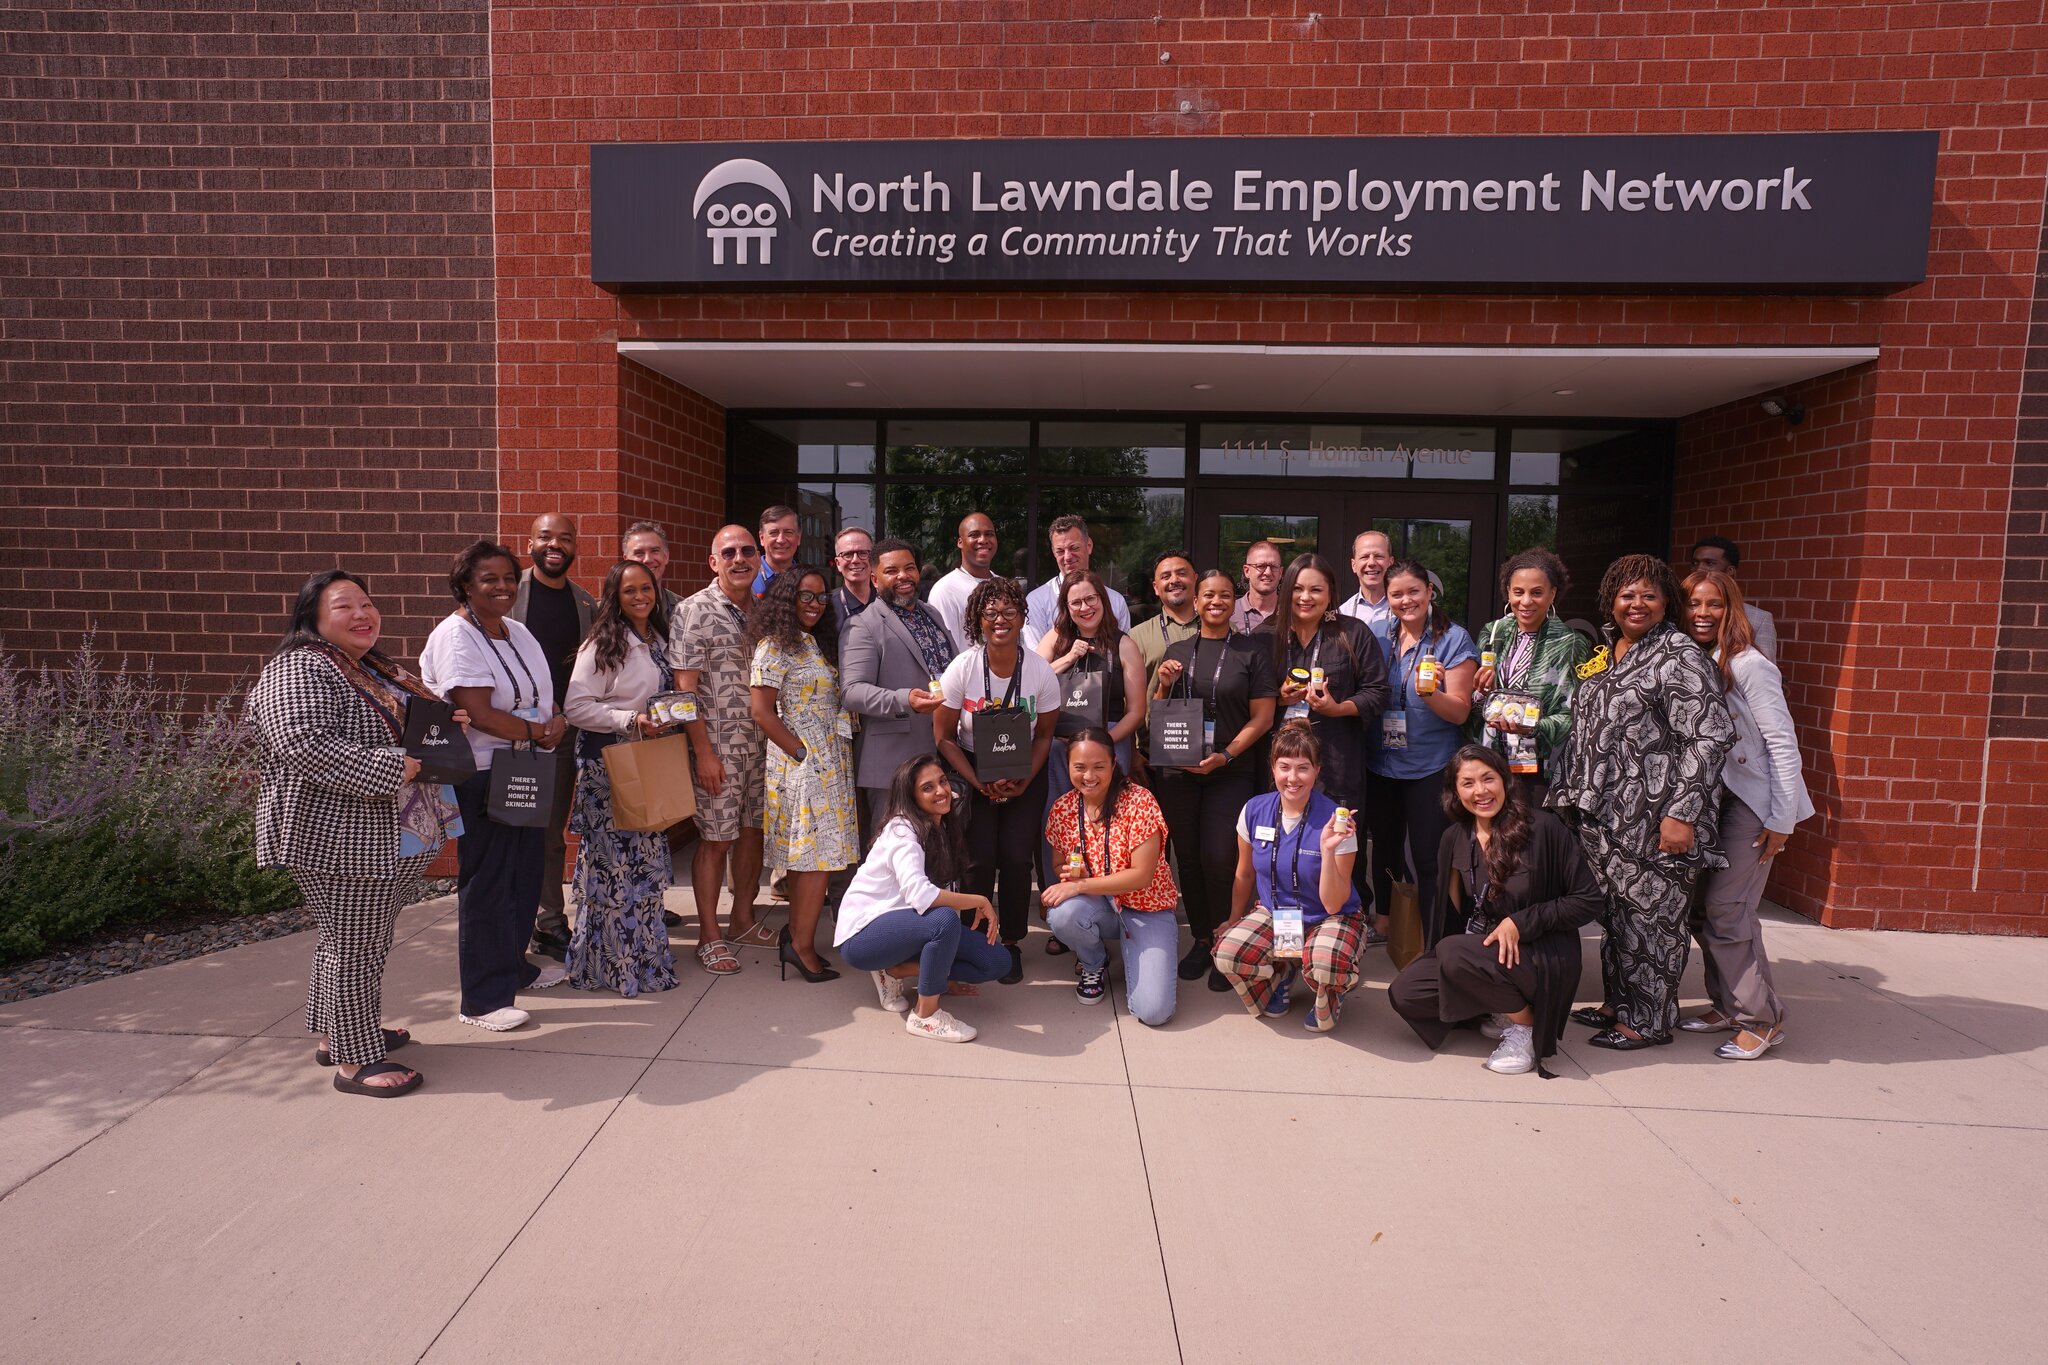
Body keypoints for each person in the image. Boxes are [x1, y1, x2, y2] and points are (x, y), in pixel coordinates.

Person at [248, 570, 461, 1096]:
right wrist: (395, 766)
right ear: (313, 618)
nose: (362, 613)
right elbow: (301, 742)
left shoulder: (367, 666)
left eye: (367, 603)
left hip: (385, 830)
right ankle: (356, 1062)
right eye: (345, 606)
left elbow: (397, 725)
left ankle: (337, 1035)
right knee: (355, 944)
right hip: (338, 834)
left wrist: (438, 722)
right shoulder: (300, 667)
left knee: (353, 939)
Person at [1549, 553, 1736, 1051]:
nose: (1637, 603)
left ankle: (1647, 1021)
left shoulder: (1678, 654)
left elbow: (1710, 737)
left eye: (1649, 595)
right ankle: (1618, 1003)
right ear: (1611, 600)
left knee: (1653, 919)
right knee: (1617, 914)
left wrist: (1682, 813)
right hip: (1602, 814)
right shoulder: (1608, 651)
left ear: (1666, 602)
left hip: (1653, 817)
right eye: (1627, 594)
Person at [420, 540, 571, 1031]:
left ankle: (515, 968)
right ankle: (482, 1000)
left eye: (508, 577)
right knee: (487, 880)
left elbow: (543, 698)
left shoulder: (518, 632)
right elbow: (481, 714)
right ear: (465, 586)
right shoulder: (455, 637)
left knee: (523, 873)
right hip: (481, 773)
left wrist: (555, 722)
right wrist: (537, 730)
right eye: (489, 579)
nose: (503, 587)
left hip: (524, 766)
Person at [1388, 745, 1607, 1076]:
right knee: (1406, 992)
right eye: (1468, 783)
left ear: (1505, 780)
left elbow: (1588, 900)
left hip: (1540, 950)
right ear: (1454, 791)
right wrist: (1452, 964)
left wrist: (1521, 923)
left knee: (1453, 952)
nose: (1480, 791)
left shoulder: (1545, 828)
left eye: (1488, 779)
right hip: (1486, 951)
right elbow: (1453, 915)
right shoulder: (1455, 837)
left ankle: (1527, 1027)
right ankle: (1498, 1002)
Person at [1681, 568, 1811, 1059]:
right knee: (1702, 908)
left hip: (1752, 804)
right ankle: (1728, 1004)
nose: (1702, 613)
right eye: (1694, 603)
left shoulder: (1750, 663)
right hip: (1710, 801)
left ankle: (1761, 1018)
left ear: (1731, 608)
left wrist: (1782, 820)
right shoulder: (1693, 658)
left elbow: (1782, 742)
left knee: (1729, 909)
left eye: (1713, 604)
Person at [1152, 568, 1278, 990]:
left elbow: (1263, 718)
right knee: (1187, 858)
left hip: (1230, 770)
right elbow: (1159, 712)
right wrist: (1163, 684)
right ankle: (1202, 938)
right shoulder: (1178, 648)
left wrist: (1224, 755)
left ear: (1234, 599)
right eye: (1208, 595)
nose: (1216, 602)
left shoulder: (1252, 652)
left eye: (1225, 595)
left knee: (1220, 858)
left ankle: (1229, 939)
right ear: (1196, 599)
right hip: (1179, 771)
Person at [935, 575, 1061, 984]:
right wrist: (975, 781)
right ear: (978, 620)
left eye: (1009, 611)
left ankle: (1010, 941)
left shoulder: (1040, 671)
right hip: (974, 769)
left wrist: (1023, 781)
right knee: (977, 859)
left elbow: (1043, 736)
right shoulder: (964, 667)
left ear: (1023, 616)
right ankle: (975, 940)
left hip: (1024, 770)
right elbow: (944, 737)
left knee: (1015, 858)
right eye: (991, 613)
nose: (1000, 619)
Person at [561, 560, 678, 998]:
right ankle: (610, 966)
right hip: (608, 765)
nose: (640, 596)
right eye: (629, 590)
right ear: (615, 596)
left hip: (647, 759)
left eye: (646, 588)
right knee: (614, 871)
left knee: (644, 867)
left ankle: (645, 959)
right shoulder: (603, 643)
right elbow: (576, 707)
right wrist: (631, 718)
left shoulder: (657, 638)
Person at [835, 755, 1013, 1042]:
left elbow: (936, 891)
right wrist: (978, 900)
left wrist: (939, 969)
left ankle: (896, 970)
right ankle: (926, 1016)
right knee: (942, 920)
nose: (941, 791)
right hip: (863, 937)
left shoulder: (939, 826)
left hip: (907, 928)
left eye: (942, 781)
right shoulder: (903, 832)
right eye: (927, 788)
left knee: (996, 961)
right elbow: (922, 896)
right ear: (911, 796)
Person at [1253, 552, 1390, 916]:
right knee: (1281, 845)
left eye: (1316, 589)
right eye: (1297, 588)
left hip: (1337, 757)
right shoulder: (1265, 635)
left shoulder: (1351, 633)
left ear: (1330, 594)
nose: (1305, 597)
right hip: (1282, 765)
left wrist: (1338, 707)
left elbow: (1378, 691)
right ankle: (1282, 925)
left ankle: (1342, 922)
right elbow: (1247, 695)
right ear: (1285, 592)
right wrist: (1276, 698)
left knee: (1341, 842)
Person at [669, 524, 774, 973]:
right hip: (718, 750)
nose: (739, 558)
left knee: (752, 833)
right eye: (728, 552)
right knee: (716, 840)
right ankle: (709, 936)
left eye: (747, 550)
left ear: (759, 556)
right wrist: (704, 753)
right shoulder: (695, 611)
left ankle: (743, 920)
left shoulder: (764, 611)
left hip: (763, 746)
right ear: (714, 562)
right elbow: (682, 693)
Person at [1212, 721, 1363, 1032]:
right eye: (1284, 767)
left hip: (1329, 916)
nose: (1292, 778)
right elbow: (1244, 873)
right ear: (1272, 768)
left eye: (1303, 768)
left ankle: (1329, 988)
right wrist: (1233, 918)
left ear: (1317, 770)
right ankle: (1285, 968)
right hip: (1282, 916)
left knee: (1325, 961)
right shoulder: (1254, 810)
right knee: (1229, 952)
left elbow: (1334, 903)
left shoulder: (1337, 821)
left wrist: (1329, 850)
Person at [748, 565, 859, 983]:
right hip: (804, 763)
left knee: (819, 859)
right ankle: (800, 945)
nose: (813, 605)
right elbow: (761, 711)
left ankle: (797, 936)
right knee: (813, 860)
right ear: (786, 599)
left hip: (832, 760)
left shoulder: (815, 644)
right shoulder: (774, 646)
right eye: (804, 596)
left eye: (819, 598)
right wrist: (802, 754)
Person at [1365, 559, 1478, 947]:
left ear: (1430, 591)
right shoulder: (1381, 634)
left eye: (1414, 591)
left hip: (1431, 767)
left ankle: (1439, 943)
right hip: (1381, 763)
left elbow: (1461, 710)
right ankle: (1389, 927)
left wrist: (1431, 695)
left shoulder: (1453, 638)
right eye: (1396, 594)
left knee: (1431, 860)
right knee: (1384, 849)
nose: (1405, 600)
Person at [1042, 728, 1181, 1025]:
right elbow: (1057, 863)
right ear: (1067, 766)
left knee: (1154, 1012)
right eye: (1079, 767)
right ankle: (1094, 960)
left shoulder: (1139, 801)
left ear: (1114, 763)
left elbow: (1142, 876)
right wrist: (1067, 874)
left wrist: (1079, 884)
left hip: (1147, 907)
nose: (1088, 776)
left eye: (1098, 766)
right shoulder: (1063, 808)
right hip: (1099, 904)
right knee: (1062, 913)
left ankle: (1141, 946)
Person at [510, 512, 595, 962]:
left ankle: (548, 922)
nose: (555, 545)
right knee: (512, 828)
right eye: (546, 537)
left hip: (562, 735)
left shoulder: (585, 603)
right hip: (508, 734)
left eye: (565, 538)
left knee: (549, 833)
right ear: (531, 543)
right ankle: (511, 925)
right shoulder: (508, 593)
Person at [840, 537, 957, 835]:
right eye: (892, 570)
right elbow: (851, 691)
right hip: (893, 765)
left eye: (910, 568)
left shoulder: (932, 615)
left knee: (935, 855)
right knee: (893, 857)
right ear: (875, 578)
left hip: (940, 756)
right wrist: (905, 700)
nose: (903, 576)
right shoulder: (862, 625)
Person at [1469, 548, 1591, 802]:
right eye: (1518, 592)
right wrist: (1480, 692)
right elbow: (1478, 701)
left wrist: (1532, 727)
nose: (1525, 602)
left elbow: (1576, 714)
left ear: (1552, 594)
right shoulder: (1493, 633)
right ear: (1508, 592)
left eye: (1536, 592)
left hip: (1540, 768)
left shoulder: (1570, 643)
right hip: (1490, 760)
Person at [1035, 568, 1146, 829]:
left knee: (1109, 821)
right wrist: (1068, 658)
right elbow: (1033, 682)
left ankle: (1109, 871)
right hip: (1060, 741)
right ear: (1066, 606)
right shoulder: (1056, 637)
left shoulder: (1124, 644)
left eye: (1091, 599)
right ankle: (1058, 870)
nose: (1084, 607)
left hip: (1110, 738)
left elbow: (1137, 711)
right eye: (1076, 602)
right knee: (1059, 820)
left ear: (1102, 601)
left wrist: (1105, 741)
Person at [1023, 515, 1133, 648]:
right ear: (1053, 552)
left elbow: (1124, 653)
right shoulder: (1036, 601)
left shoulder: (1116, 601)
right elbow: (1036, 661)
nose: (1067, 557)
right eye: (1060, 551)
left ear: (1089, 546)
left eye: (1074, 548)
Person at [1689, 536, 1778, 661]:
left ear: (1730, 571)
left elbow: (1764, 673)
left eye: (1709, 563)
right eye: (1695, 563)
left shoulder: (1758, 620)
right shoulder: (1680, 610)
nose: (1699, 569)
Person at [928, 511, 1001, 651]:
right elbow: (946, 650)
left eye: (989, 534)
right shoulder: (945, 590)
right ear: (960, 542)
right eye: (974, 535)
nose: (983, 540)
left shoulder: (1004, 587)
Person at [1129, 550, 1200, 687]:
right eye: (1166, 576)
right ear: (1155, 587)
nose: (1174, 580)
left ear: (1195, 579)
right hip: (1156, 708)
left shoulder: (1223, 629)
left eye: (1181, 573)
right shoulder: (1137, 636)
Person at [818, 524, 876, 668]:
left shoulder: (889, 603)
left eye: (863, 553)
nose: (855, 560)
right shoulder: (825, 606)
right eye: (848, 554)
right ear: (838, 563)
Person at [1337, 530, 1395, 631]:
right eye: (1364, 557)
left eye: (1378, 556)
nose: (1371, 563)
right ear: (1353, 565)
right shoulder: (1342, 614)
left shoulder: (1404, 608)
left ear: (1390, 563)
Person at [623, 520, 681, 619]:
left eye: (654, 551)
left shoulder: (683, 609)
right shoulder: (604, 613)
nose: (648, 559)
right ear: (626, 560)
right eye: (639, 553)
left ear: (666, 556)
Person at [1230, 538, 1282, 634]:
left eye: (1274, 566)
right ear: (1247, 571)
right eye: (1261, 566)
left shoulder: (1292, 612)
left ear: (1280, 572)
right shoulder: (1230, 612)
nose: (1268, 572)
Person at [752, 503, 801, 596]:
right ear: (761, 538)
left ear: (798, 538)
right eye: (773, 533)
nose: (781, 540)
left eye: (788, 532)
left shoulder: (807, 580)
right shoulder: (748, 578)